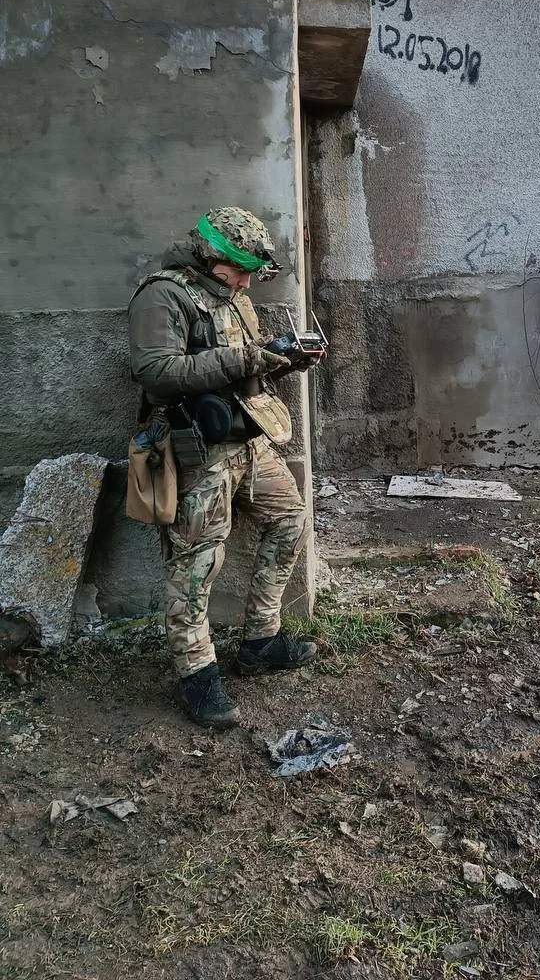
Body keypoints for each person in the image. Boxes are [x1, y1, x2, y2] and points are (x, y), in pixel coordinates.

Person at [128, 207, 322, 729]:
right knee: (195, 565)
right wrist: (247, 360)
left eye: (247, 276)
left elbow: (248, 361)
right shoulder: (163, 294)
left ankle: (261, 640)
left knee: (290, 518)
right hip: (197, 451)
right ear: (207, 253)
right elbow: (154, 371)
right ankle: (197, 676)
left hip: (247, 440)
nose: (242, 283)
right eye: (234, 272)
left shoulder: (233, 296)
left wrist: (283, 359)